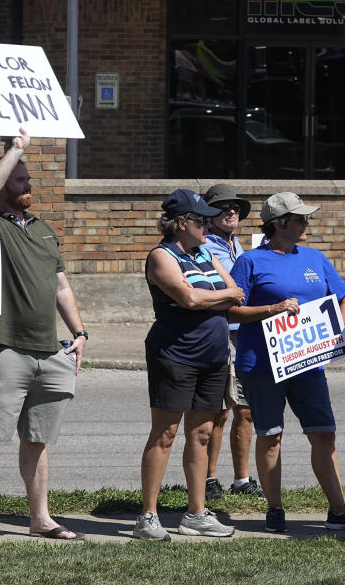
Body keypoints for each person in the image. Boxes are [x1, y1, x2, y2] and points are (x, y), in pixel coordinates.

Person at [0, 128, 88, 545]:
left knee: (38, 440)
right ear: (2, 185)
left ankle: (41, 518)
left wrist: (79, 331)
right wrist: (14, 149)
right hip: (2, 348)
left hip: (49, 352)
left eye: (27, 178)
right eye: (19, 179)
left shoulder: (43, 230)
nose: (28, 184)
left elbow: (60, 287)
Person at [229, 192, 345, 534]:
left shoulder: (315, 258)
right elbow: (232, 311)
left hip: (308, 364)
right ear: (279, 224)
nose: (306, 224)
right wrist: (273, 309)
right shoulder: (251, 262)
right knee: (271, 435)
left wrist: (334, 330)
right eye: (300, 219)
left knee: (324, 434)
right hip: (262, 365)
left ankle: (339, 511)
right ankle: (275, 509)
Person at [133, 188, 245, 541]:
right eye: (201, 220)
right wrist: (214, 298)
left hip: (213, 356)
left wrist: (212, 299)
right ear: (182, 223)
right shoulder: (161, 256)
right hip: (175, 354)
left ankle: (196, 513)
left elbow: (236, 291)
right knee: (164, 434)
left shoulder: (204, 254)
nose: (207, 225)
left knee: (201, 433)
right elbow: (189, 297)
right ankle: (148, 517)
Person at [200, 183, 263, 500]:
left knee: (246, 410)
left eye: (235, 207)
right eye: (223, 206)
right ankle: (209, 478)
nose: (231, 211)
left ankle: (242, 478)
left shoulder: (240, 247)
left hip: (247, 338)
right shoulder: (204, 248)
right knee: (218, 411)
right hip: (219, 336)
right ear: (207, 214)